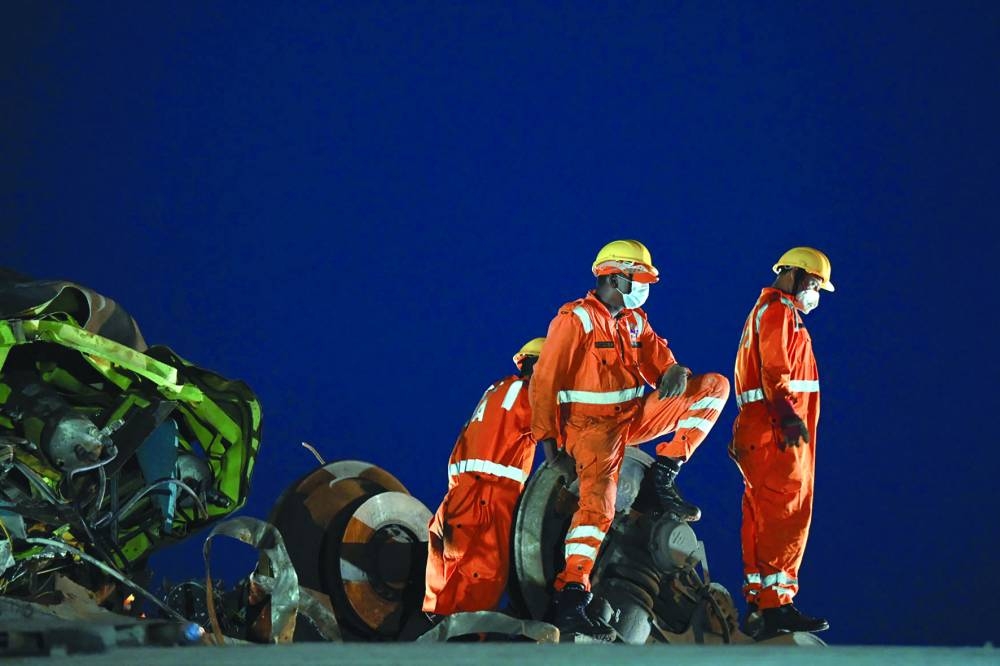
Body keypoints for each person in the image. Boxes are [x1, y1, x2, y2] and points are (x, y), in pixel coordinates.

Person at [529, 240, 730, 640]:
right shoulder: (576, 321)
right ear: (616, 277)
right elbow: (544, 383)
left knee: (713, 387)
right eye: (640, 279)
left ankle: (665, 470)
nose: (645, 287)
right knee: (598, 508)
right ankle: (572, 593)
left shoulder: (636, 321)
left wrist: (674, 370)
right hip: (590, 430)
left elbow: (660, 359)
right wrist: (550, 446)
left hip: (631, 420)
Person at [730, 247, 834, 638]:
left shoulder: (765, 313)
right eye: (814, 284)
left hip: (760, 429)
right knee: (787, 513)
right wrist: (788, 415)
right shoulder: (777, 312)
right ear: (793, 276)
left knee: (762, 514)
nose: (815, 294)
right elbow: (776, 367)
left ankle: (760, 599)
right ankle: (777, 603)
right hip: (778, 429)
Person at [422, 337, 545, 617]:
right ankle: (465, 648)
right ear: (541, 367)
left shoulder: (500, 389)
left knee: (447, 580)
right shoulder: (528, 394)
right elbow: (561, 430)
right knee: (481, 578)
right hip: (489, 499)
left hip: (458, 496)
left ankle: (435, 635)